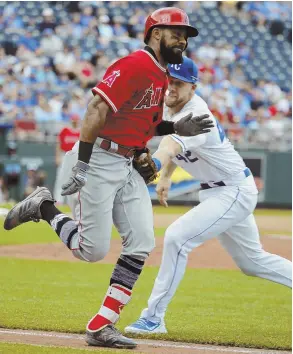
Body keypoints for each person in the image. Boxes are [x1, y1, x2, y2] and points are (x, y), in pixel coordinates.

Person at [3, 8, 213, 349]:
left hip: (126, 161)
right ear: (156, 33)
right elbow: (95, 110)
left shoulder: (160, 74)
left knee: (143, 241)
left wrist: (174, 128)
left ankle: (102, 325)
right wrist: (82, 164)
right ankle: (43, 206)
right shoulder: (134, 65)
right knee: (91, 250)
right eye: (177, 33)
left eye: (186, 35)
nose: (184, 40)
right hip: (98, 157)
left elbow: (144, 124)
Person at [124, 57, 292, 335]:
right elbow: (177, 149)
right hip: (221, 191)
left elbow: (170, 144)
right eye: (170, 81)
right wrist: (165, 175)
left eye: (180, 83)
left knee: (177, 238)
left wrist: (155, 164)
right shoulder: (168, 107)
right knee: (252, 262)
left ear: (193, 87)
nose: (172, 87)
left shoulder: (198, 115)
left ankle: (153, 317)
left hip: (233, 190)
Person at [53, 114, 80, 204]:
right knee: (61, 177)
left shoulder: (81, 132)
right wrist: (57, 157)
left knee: (75, 178)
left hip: (76, 156)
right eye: (73, 120)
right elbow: (58, 144)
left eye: (76, 120)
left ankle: (72, 201)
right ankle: (58, 199)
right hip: (65, 154)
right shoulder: (65, 130)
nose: (75, 122)